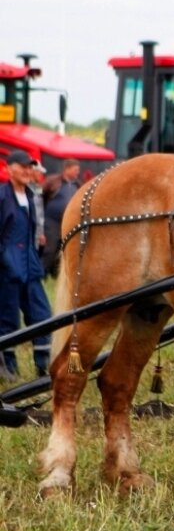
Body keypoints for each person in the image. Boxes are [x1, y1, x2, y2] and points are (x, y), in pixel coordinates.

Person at [0, 150, 53, 381]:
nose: (26, 171)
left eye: (29, 167)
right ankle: (7, 368)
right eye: (22, 166)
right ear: (9, 168)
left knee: (42, 314)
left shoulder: (32, 196)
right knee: (7, 319)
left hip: (30, 266)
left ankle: (43, 365)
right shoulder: (2, 196)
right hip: (7, 268)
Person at [41, 158, 81, 277]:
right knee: (50, 248)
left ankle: (56, 274)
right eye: (75, 170)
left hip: (68, 222)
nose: (77, 173)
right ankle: (42, 273)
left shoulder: (77, 184)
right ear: (67, 169)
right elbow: (41, 197)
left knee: (63, 249)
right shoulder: (53, 181)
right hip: (51, 221)